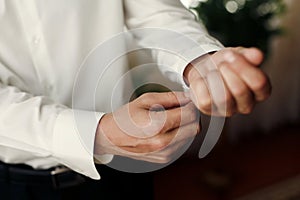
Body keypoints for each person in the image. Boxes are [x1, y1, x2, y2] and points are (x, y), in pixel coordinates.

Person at [0, 0, 271, 199]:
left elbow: (152, 11)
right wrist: (93, 134)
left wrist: (198, 60)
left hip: (122, 171)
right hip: (14, 185)